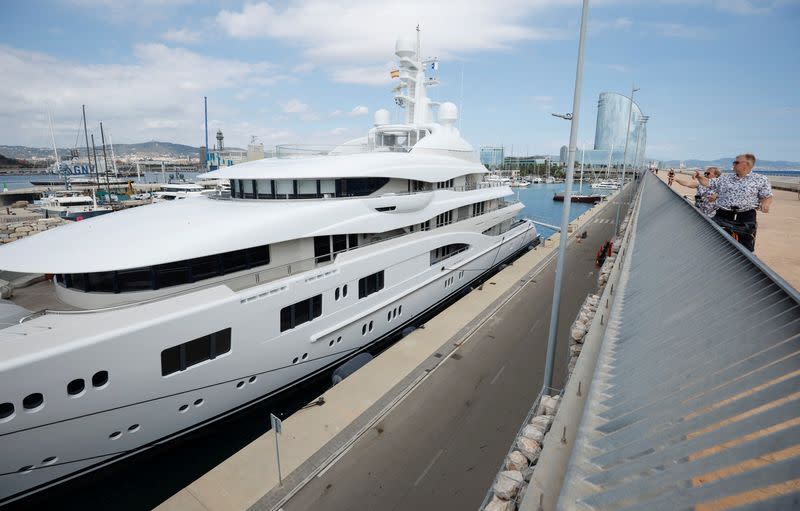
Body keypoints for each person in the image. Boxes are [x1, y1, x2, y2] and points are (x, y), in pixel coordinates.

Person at [695, 153, 773, 252]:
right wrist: (699, 176)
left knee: (746, 248)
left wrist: (765, 204)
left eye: (736, 162)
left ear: (746, 165)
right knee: (714, 244)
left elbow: (767, 196)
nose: (733, 164)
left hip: (745, 217)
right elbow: (708, 183)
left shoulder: (761, 179)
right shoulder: (725, 178)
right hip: (723, 214)